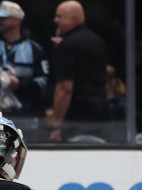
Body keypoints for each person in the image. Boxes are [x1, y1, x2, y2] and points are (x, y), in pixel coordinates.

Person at [46, 1, 109, 141]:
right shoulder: (97, 41)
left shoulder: (67, 45)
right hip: (101, 110)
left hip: (77, 114)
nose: (55, 20)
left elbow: (64, 89)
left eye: (59, 16)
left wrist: (57, 124)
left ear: (72, 19)